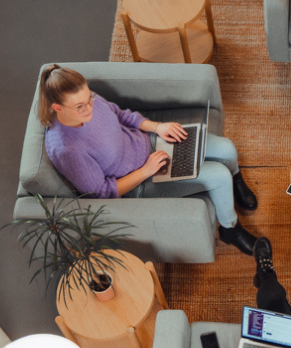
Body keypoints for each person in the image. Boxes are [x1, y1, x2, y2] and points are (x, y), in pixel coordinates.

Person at [37, 64, 260, 255]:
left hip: (150, 144)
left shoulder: (88, 102)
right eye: (80, 107)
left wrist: (157, 127)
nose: (89, 108)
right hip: (142, 181)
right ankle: (231, 229)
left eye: (89, 99)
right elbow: (101, 192)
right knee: (218, 176)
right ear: (57, 108)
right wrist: (146, 170)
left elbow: (120, 114)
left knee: (227, 148)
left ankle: (236, 182)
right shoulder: (67, 149)